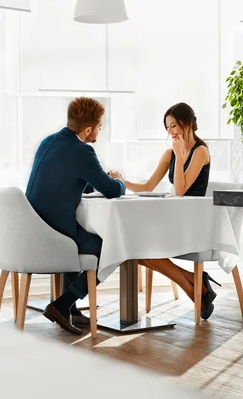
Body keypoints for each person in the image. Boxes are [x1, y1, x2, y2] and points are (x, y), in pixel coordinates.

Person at [108, 102, 219, 319]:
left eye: (174, 126)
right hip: (174, 218)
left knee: (139, 248)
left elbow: (180, 191)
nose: (170, 132)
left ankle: (198, 288)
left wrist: (178, 157)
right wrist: (122, 181)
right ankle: (196, 286)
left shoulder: (201, 152)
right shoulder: (170, 153)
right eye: (168, 127)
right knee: (133, 250)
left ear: (187, 124)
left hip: (192, 222)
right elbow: (148, 186)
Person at [25, 97, 125, 335]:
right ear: (88, 129)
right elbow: (111, 190)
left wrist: (94, 180)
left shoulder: (49, 142)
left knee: (81, 238)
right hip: (55, 232)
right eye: (100, 126)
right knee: (112, 248)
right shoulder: (83, 151)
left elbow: (66, 180)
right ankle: (62, 304)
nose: (101, 130)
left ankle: (71, 309)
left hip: (33, 228)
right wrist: (119, 180)